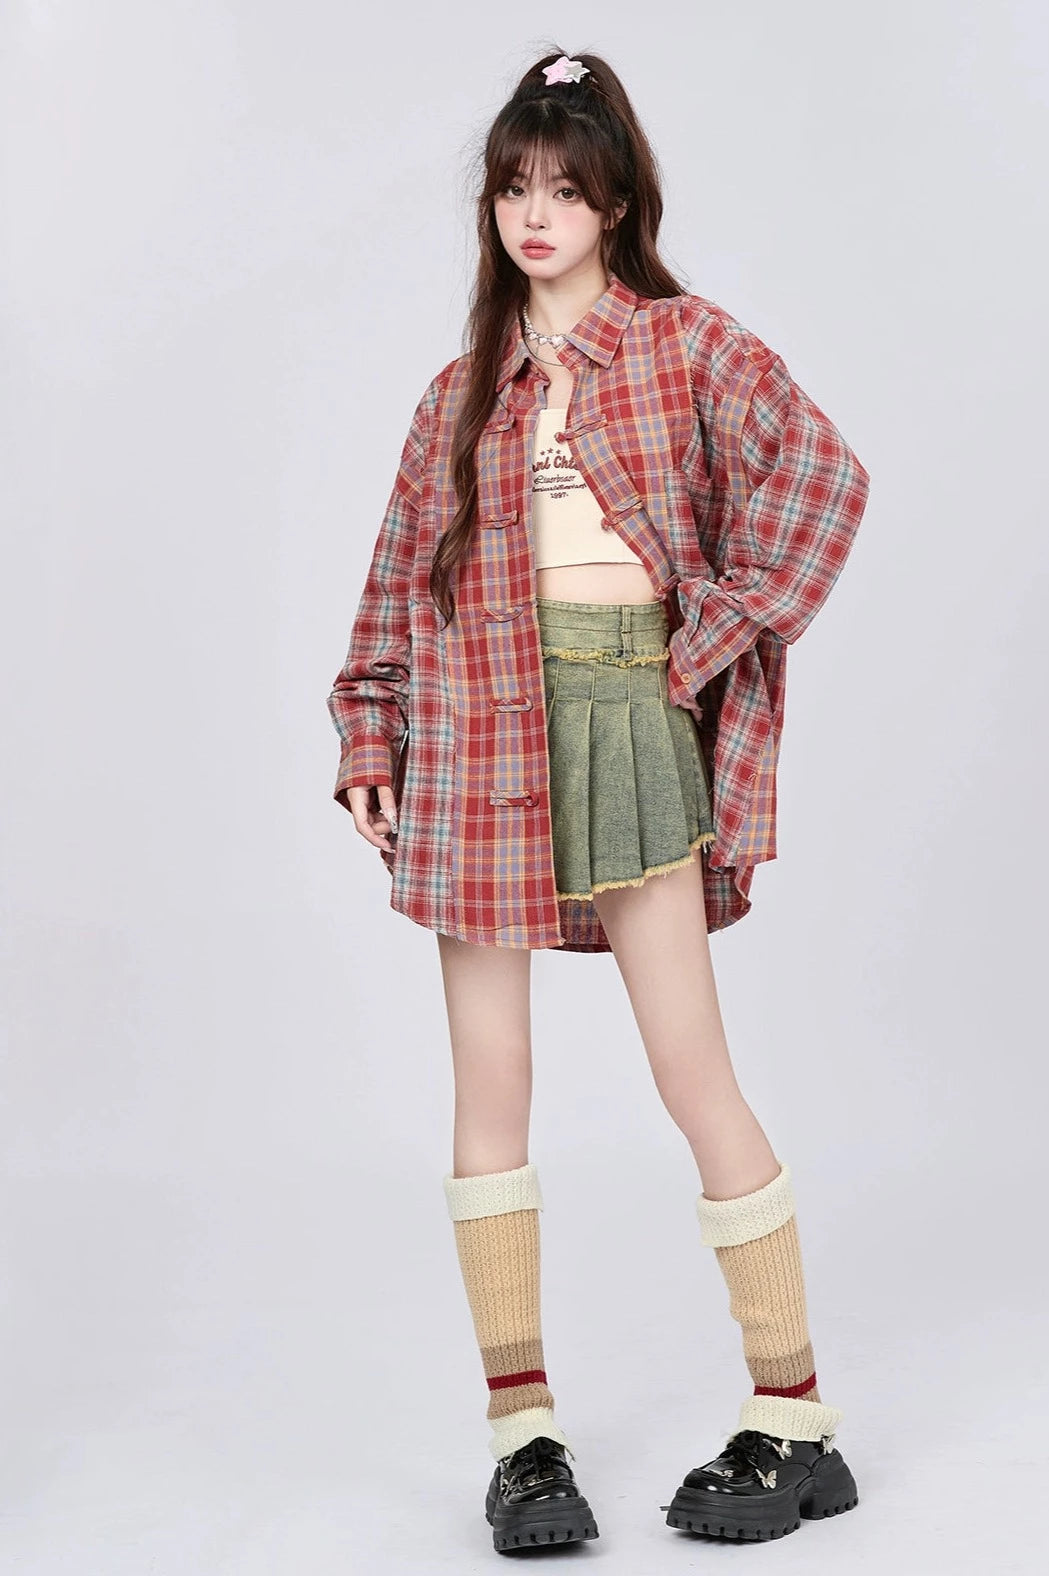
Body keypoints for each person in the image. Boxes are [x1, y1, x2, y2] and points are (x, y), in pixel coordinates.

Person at [326, 47, 870, 1551]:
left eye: (564, 189)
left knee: (691, 1068)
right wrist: (370, 735)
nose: (535, 214)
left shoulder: (687, 348)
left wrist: (697, 649)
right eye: (514, 186)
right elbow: (397, 582)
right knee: (489, 1081)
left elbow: (825, 481)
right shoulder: (460, 395)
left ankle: (796, 1417)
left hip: (627, 722)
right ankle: (524, 1440)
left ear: (617, 203)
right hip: (474, 733)